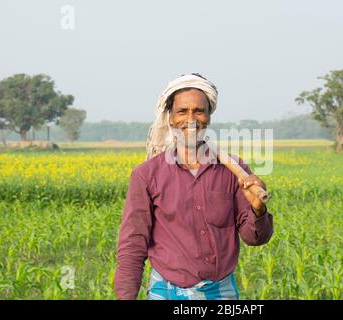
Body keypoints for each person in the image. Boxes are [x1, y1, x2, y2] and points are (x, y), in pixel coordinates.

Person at [114, 73, 274, 300]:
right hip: (166, 291)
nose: (191, 119)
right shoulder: (147, 174)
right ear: (170, 117)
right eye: (182, 111)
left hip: (221, 292)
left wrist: (258, 210)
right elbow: (133, 243)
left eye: (199, 111)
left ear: (209, 116)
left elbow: (254, 238)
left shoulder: (234, 170)